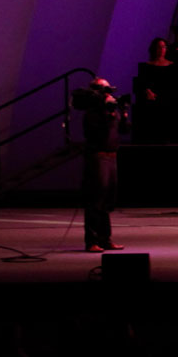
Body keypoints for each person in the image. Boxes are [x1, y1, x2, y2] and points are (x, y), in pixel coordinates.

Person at [77, 77, 123, 252]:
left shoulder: (111, 111)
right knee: (95, 199)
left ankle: (105, 238)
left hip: (111, 156)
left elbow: (124, 129)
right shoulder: (92, 113)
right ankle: (92, 240)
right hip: (98, 157)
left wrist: (121, 113)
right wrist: (108, 114)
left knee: (107, 200)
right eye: (105, 91)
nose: (109, 94)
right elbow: (96, 133)